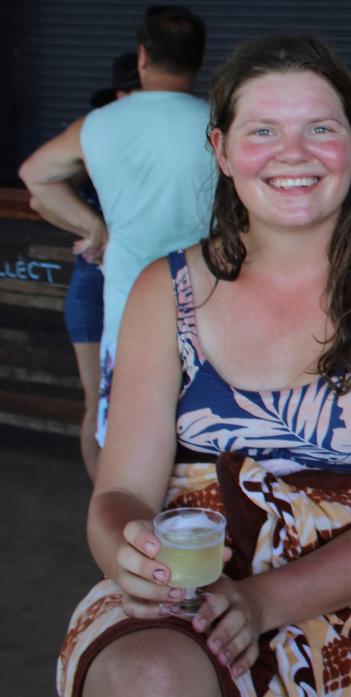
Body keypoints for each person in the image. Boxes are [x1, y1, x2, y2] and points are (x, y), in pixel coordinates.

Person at [54, 35, 351, 697]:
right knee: (149, 679)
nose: (293, 153)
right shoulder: (167, 289)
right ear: (220, 149)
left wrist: (260, 601)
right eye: (263, 130)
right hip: (188, 576)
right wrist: (127, 553)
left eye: (320, 129)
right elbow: (122, 489)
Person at [18, 5, 217, 451]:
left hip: (128, 301)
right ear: (200, 61)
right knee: (203, 432)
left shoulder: (100, 123)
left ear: (143, 56)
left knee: (128, 432)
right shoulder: (220, 124)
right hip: (209, 300)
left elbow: (36, 175)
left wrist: (96, 228)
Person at [23, 51, 141, 480]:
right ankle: (102, 502)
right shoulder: (97, 137)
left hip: (146, 286)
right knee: (99, 402)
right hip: (95, 285)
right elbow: (40, 196)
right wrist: (94, 230)